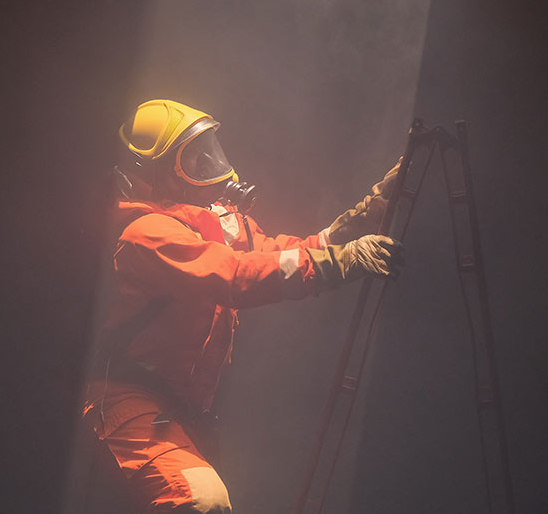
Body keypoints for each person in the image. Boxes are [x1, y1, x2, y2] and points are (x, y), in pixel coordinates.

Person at [81, 99, 403, 513]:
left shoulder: (208, 225)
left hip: (175, 409)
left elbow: (290, 253)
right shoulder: (147, 234)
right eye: (194, 161)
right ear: (159, 175)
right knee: (201, 501)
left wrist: (372, 209)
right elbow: (236, 274)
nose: (213, 168)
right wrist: (343, 261)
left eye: (209, 153)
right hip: (126, 401)